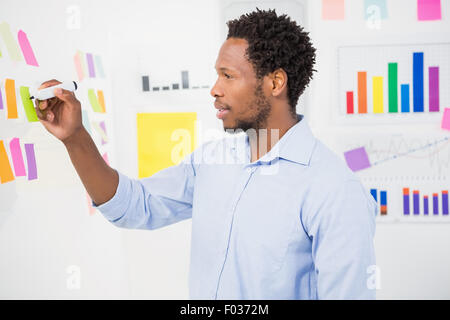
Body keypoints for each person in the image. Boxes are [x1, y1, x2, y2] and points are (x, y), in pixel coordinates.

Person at [35, 8, 377, 299]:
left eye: (228, 76)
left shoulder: (333, 189)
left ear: (275, 84)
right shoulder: (212, 161)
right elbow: (132, 207)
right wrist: (75, 137)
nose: (215, 90)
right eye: (217, 75)